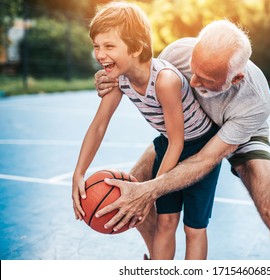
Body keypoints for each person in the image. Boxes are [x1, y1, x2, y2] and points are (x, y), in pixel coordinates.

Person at [93, 19, 270, 259]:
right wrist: (112, 75)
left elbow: (206, 159)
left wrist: (150, 190)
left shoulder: (255, 102)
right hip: (191, 130)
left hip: (238, 134)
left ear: (234, 79)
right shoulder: (176, 53)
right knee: (131, 193)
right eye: (193, 70)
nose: (193, 82)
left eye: (206, 80)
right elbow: (141, 79)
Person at [72, 1, 222, 260]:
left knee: (193, 228)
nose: (99, 54)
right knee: (165, 222)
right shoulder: (119, 78)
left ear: (136, 48)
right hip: (168, 146)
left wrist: (150, 189)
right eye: (96, 46)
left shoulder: (165, 80)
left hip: (200, 148)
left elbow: (179, 141)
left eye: (109, 46)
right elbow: (99, 125)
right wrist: (79, 172)